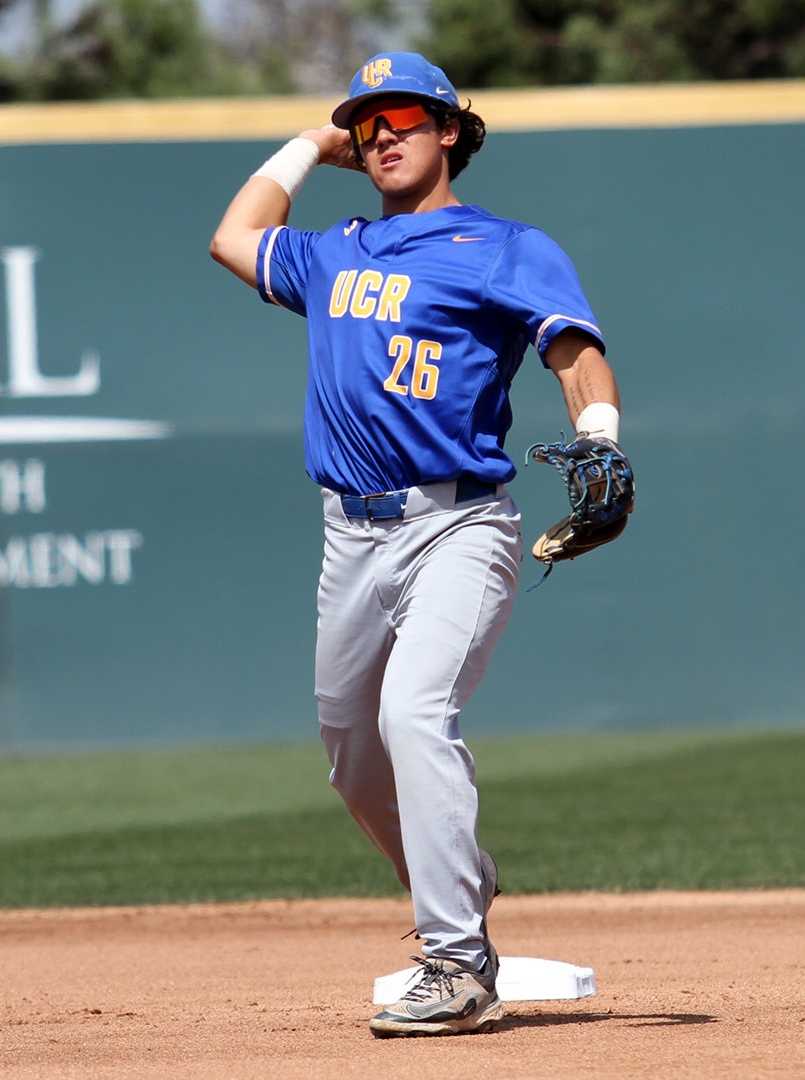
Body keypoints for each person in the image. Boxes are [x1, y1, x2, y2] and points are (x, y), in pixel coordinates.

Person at [208, 51, 624, 1037]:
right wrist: (313, 141)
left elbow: (575, 352)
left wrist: (602, 442)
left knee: (414, 713)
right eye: (366, 122)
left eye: (402, 115)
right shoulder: (335, 253)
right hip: (348, 536)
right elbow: (233, 236)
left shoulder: (506, 246)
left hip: (459, 523)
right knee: (354, 763)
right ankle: (462, 888)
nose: (381, 132)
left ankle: (457, 960)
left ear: (450, 131)